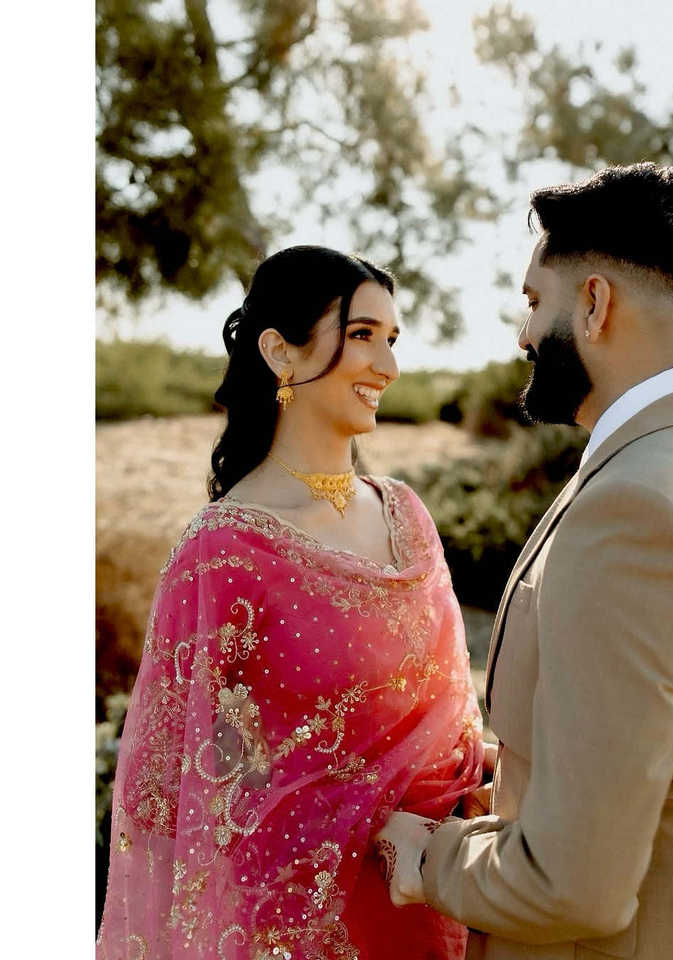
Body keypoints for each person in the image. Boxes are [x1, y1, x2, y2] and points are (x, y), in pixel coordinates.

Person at [376, 164, 673, 959]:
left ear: (596, 305)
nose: (523, 334)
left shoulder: (634, 510)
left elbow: (573, 884)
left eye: (535, 301)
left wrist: (428, 858)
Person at [96, 246, 484, 960]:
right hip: (297, 926)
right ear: (279, 351)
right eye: (362, 335)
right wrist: (374, 826)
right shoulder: (223, 552)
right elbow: (168, 786)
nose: (388, 367)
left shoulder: (406, 516)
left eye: (392, 340)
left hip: (439, 899)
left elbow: (451, 715)